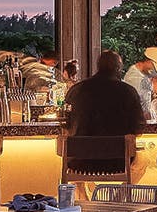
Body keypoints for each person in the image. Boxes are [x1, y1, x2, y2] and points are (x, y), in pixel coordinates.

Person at [62, 49, 147, 183]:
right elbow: (139, 128)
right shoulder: (129, 92)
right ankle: (116, 197)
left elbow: (65, 124)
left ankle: (82, 200)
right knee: (143, 160)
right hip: (118, 162)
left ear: (98, 66)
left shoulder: (76, 90)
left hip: (80, 161)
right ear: (118, 68)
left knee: (70, 155)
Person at [124, 54, 157, 119]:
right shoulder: (136, 77)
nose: (156, 73)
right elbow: (141, 106)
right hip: (138, 120)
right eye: (155, 69)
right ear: (148, 61)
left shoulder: (144, 75)